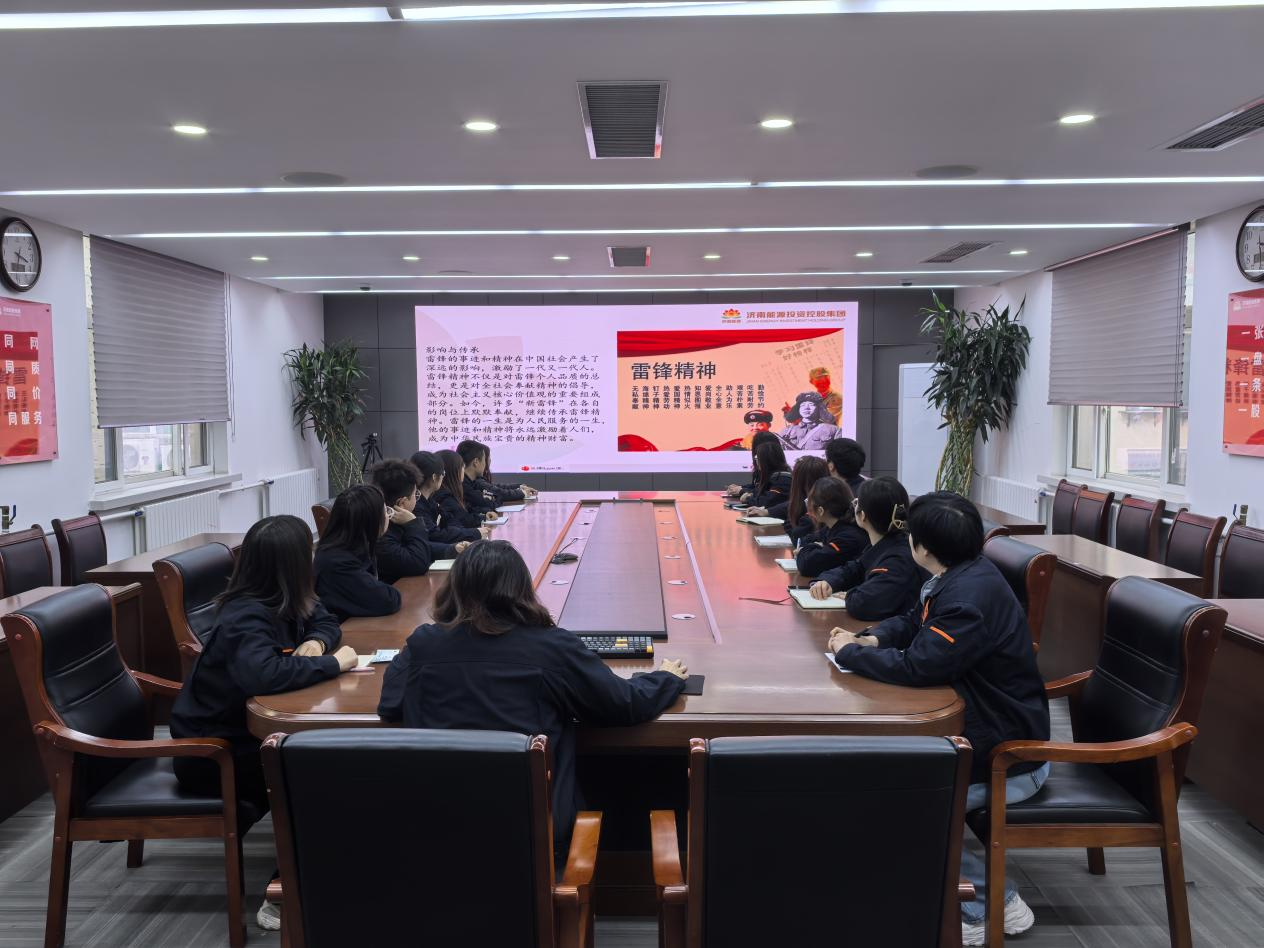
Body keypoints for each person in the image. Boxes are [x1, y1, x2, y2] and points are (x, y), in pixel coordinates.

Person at [826, 492, 1049, 944]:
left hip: (1009, 756)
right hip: (983, 728)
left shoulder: (969, 598)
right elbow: (914, 621)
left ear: (922, 547)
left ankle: (991, 905)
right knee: (881, 775)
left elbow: (920, 666)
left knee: (905, 800)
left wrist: (849, 654)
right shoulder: (959, 574)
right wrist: (871, 639)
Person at [378, 540, 688, 847]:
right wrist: (666, 678)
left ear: (455, 588)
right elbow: (624, 703)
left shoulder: (423, 644)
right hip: (537, 840)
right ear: (521, 589)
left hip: (436, 838)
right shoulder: (551, 646)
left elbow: (390, 704)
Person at [170, 515, 359, 932]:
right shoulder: (246, 614)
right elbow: (264, 676)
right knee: (324, 771)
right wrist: (333, 664)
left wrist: (317, 642)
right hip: (212, 752)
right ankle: (284, 895)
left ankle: (332, 869)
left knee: (338, 762)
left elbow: (326, 620)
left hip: (245, 736)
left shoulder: (285, 597)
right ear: (291, 564)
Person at [809, 475, 924, 620]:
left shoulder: (898, 558)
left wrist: (850, 594)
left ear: (862, 516)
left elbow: (864, 604)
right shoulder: (884, 545)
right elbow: (854, 568)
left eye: (857, 503)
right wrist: (828, 581)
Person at [314, 483, 403, 620]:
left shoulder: (353, 545)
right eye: (385, 511)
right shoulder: (337, 562)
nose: (388, 516)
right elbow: (388, 600)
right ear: (372, 522)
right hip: (345, 628)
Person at [369, 459, 446, 583]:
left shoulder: (393, 522)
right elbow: (418, 563)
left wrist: (453, 549)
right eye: (415, 495)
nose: (417, 499)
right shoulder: (382, 532)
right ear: (402, 503)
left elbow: (421, 547)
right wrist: (414, 524)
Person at [409, 449, 488, 550]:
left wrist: (469, 532)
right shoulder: (418, 504)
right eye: (443, 473)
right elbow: (434, 534)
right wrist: (474, 532)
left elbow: (451, 521)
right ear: (434, 477)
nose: (443, 476)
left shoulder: (430, 500)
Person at [746, 454, 829, 546]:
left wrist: (788, 520)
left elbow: (796, 536)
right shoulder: (827, 500)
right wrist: (767, 511)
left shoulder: (810, 515)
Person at [794, 477, 869, 578]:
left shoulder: (847, 536)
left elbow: (807, 565)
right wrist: (816, 546)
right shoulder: (834, 526)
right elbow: (805, 540)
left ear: (820, 511)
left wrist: (811, 548)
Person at [434, 449, 497, 528]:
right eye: (462, 467)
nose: (463, 471)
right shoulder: (445, 498)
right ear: (453, 471)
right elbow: (464, 520)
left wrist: (485, 515)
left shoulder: (450, 493)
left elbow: (467, 511)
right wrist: (483, 518)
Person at [724, 429, 780, 498]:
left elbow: (766, 494)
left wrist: (742, 491)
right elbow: (756, 486)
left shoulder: (779, 474)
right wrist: (740, 487)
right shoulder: (761, 466)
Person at [740, 439, 791, 509]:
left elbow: (768, 502)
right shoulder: (771, 476)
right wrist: (748, 493)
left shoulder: (783, 478)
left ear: (767, 459)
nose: (756, 461)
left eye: (757, 458)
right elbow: (761, 492)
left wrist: (748, 499)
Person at [456, 441, 500, 514]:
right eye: (484, 460)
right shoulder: (465, 486)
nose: (485, 464)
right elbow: (491, 504)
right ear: (476, 462)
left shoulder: (471, 482)